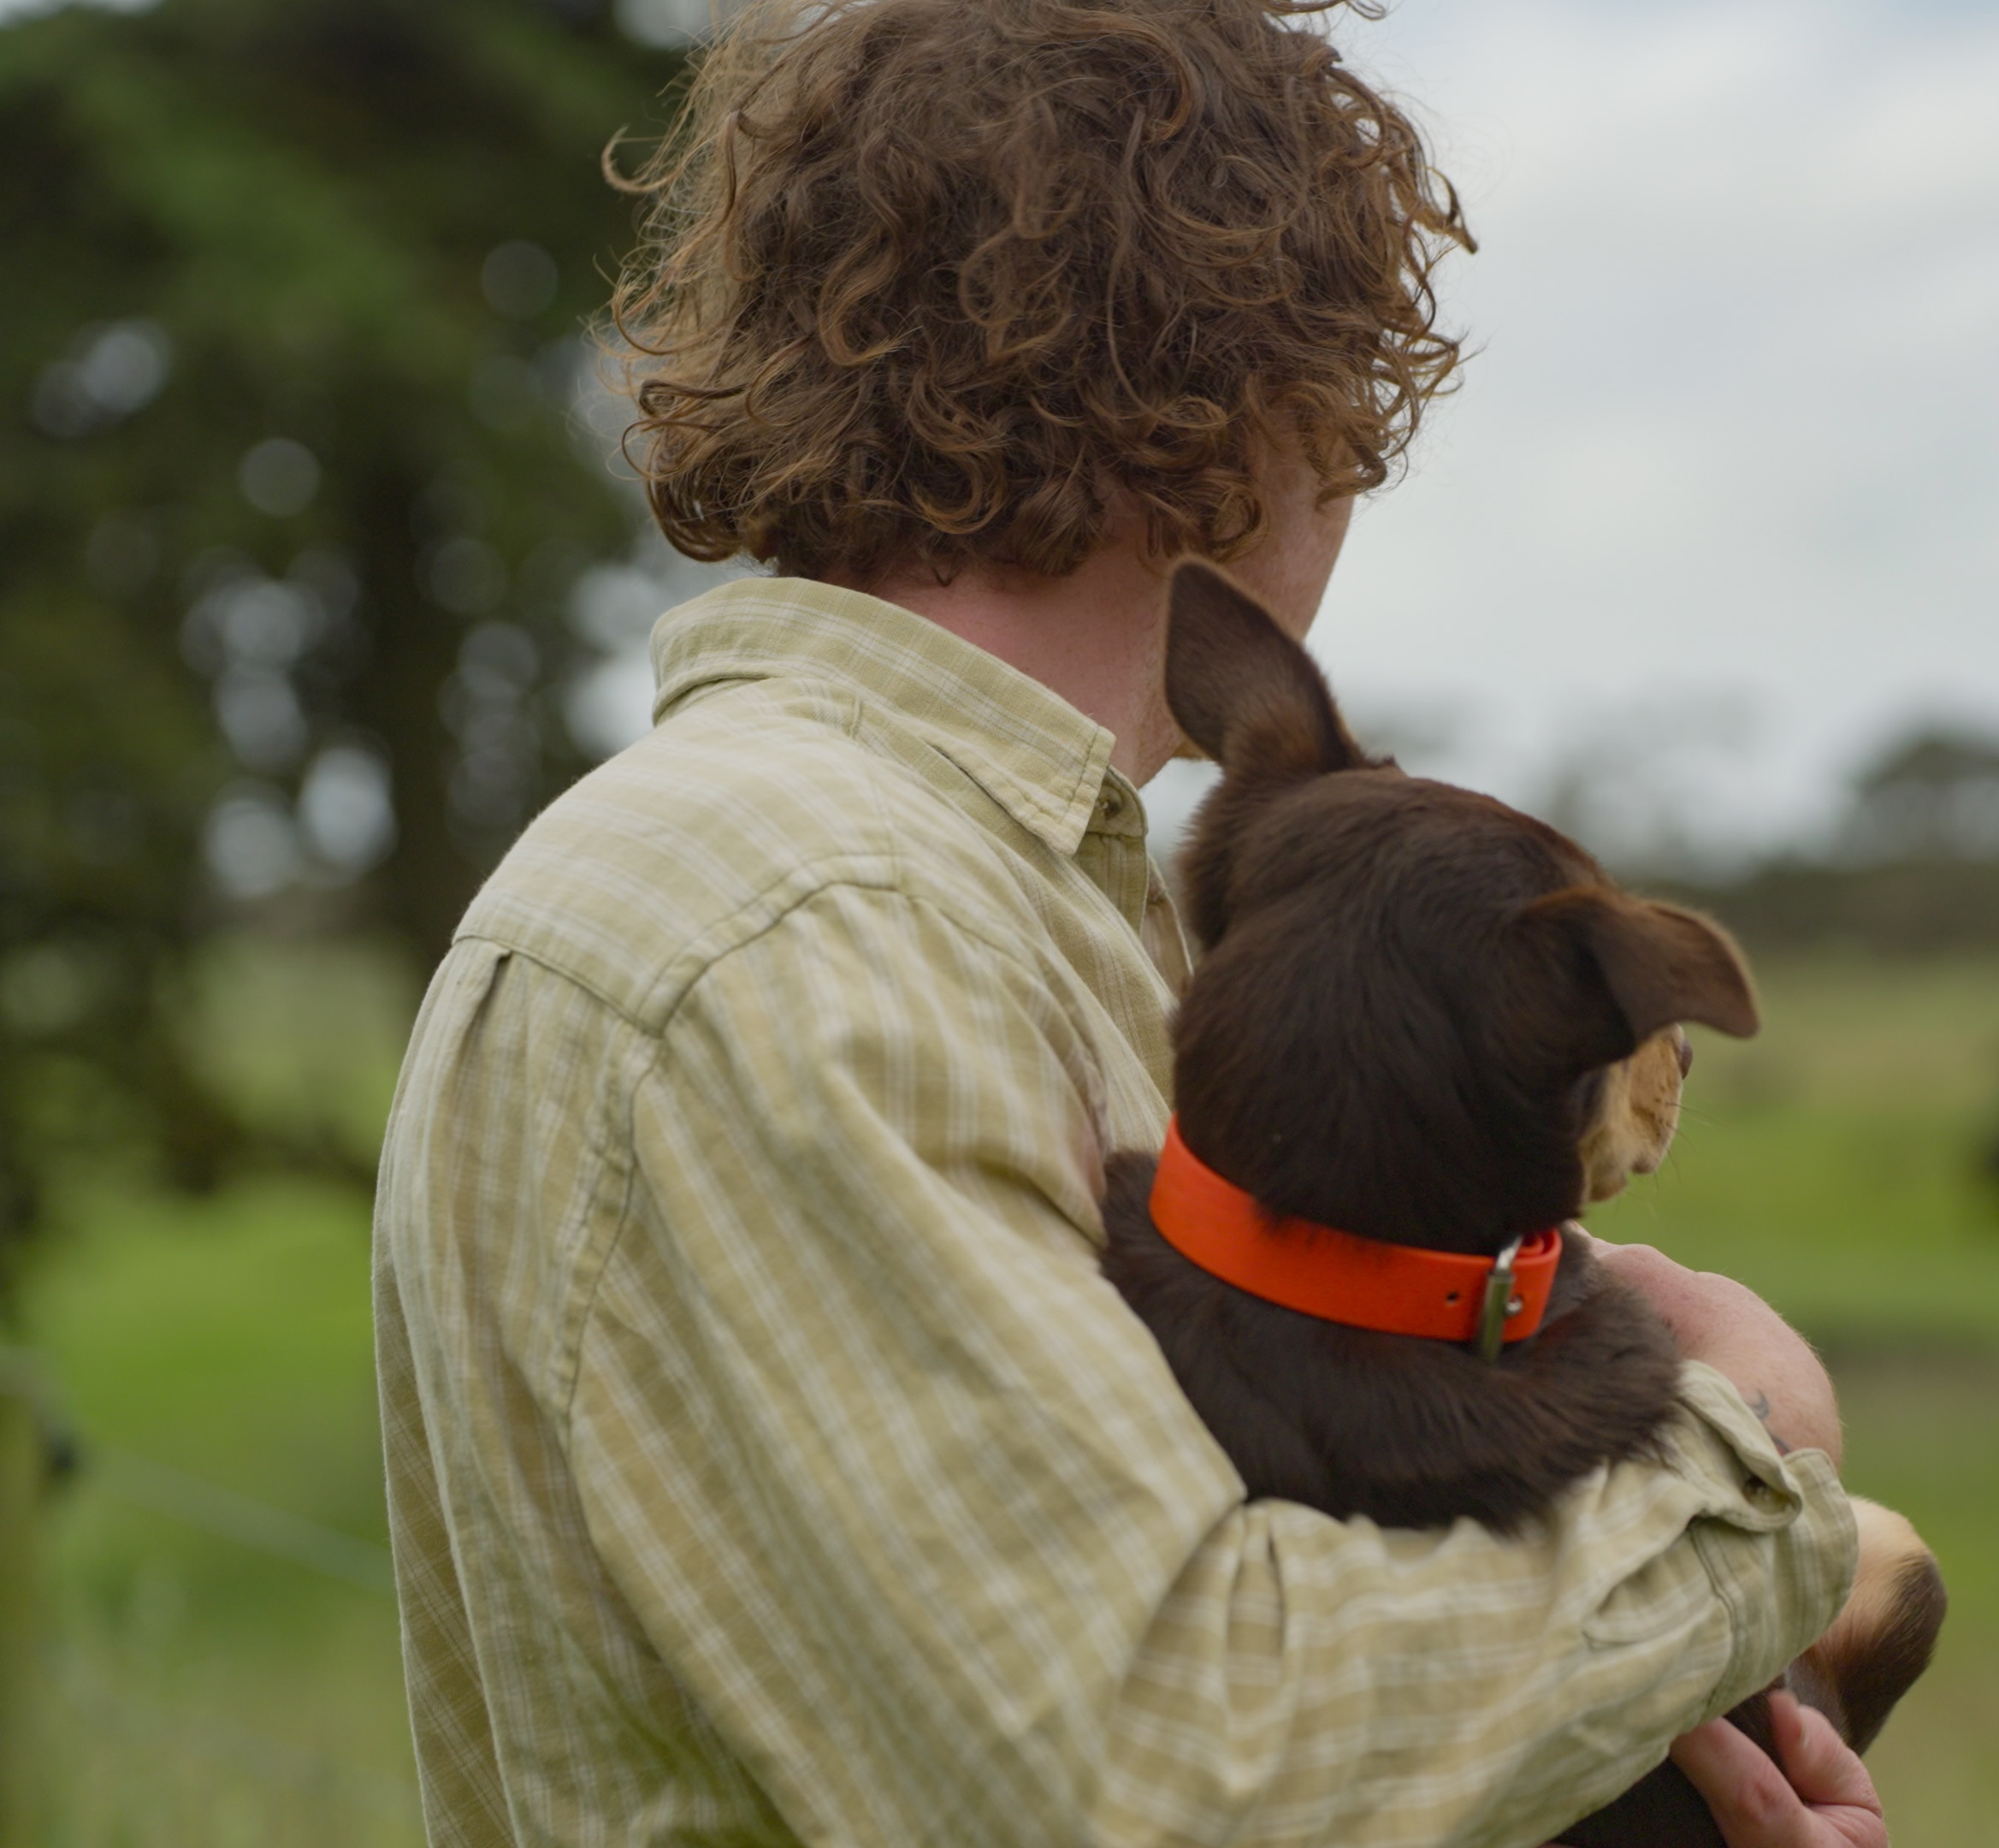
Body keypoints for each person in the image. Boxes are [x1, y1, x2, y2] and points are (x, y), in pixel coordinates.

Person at [370, 2, 1890, 1844]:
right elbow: (1165, 1781)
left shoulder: (965, 893)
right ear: (1263, 404)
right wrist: (1747, 1462)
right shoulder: (803, 930)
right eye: (1353, 422)